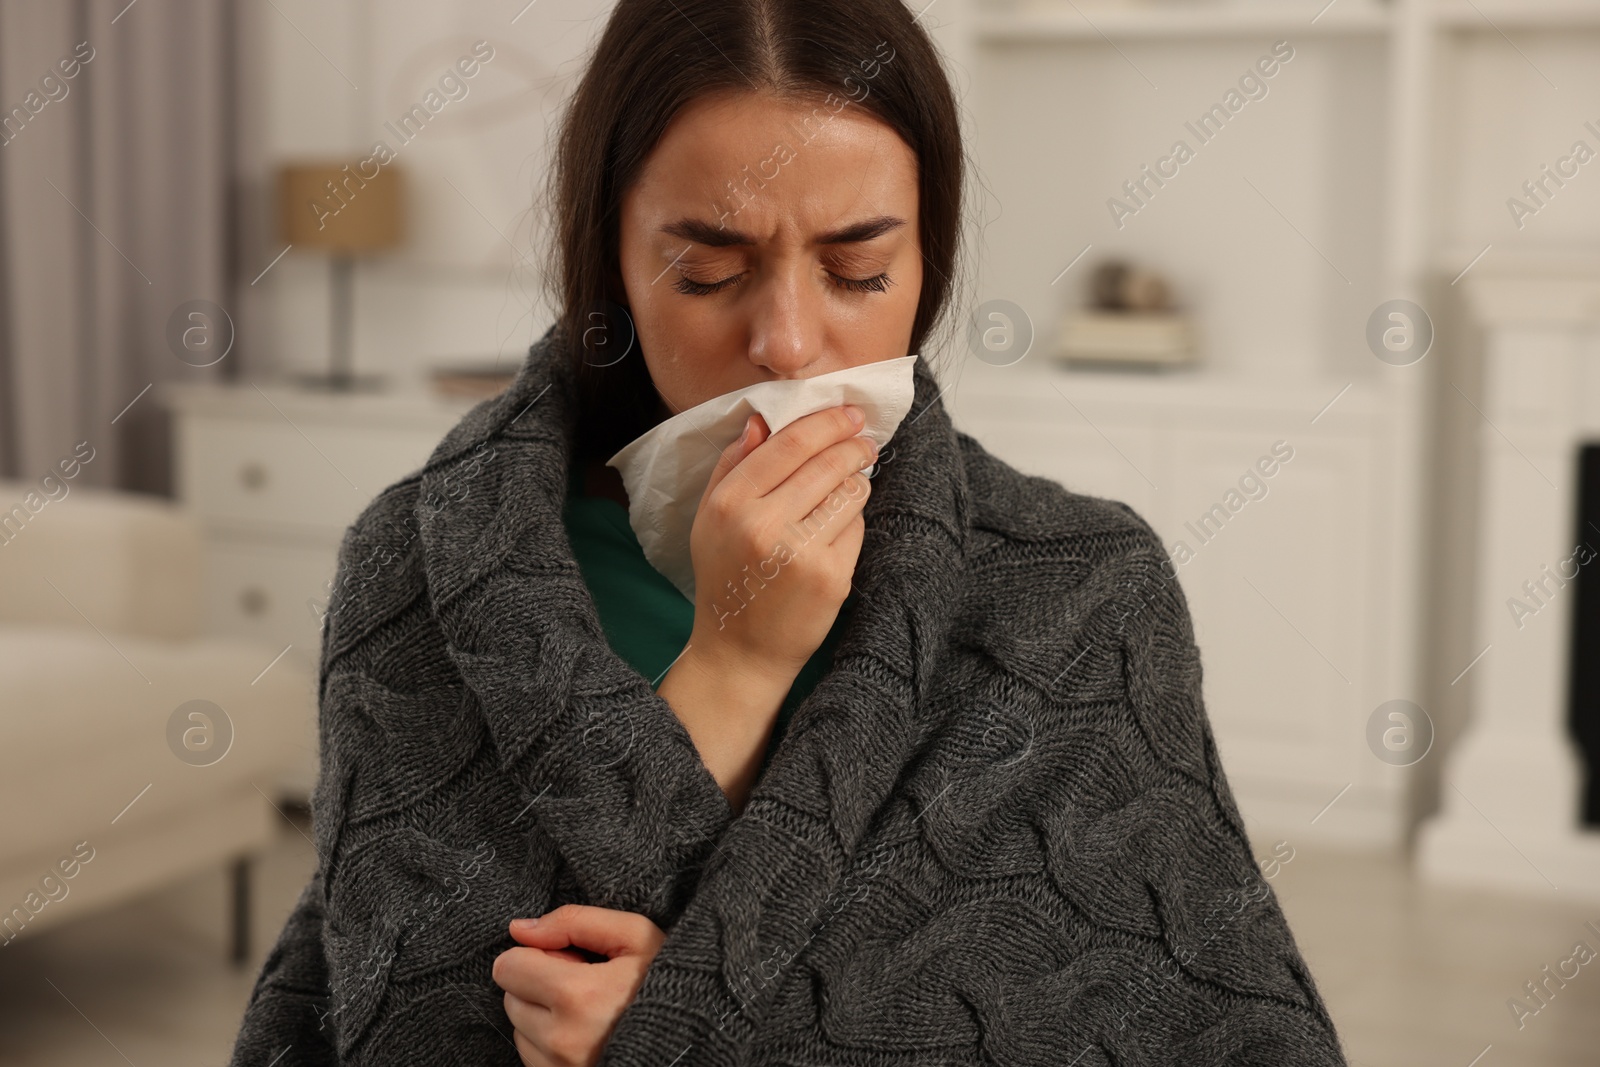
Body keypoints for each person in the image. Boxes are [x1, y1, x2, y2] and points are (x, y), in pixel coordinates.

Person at [228, 2, 1348, 1065]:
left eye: (859, 269)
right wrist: (736, 659)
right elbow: (398, 1019)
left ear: (929, 261)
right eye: (708, 269)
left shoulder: (1086, 593)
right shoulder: (415, 569)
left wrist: (679, 1031)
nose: (791, 345)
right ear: (607, 259)